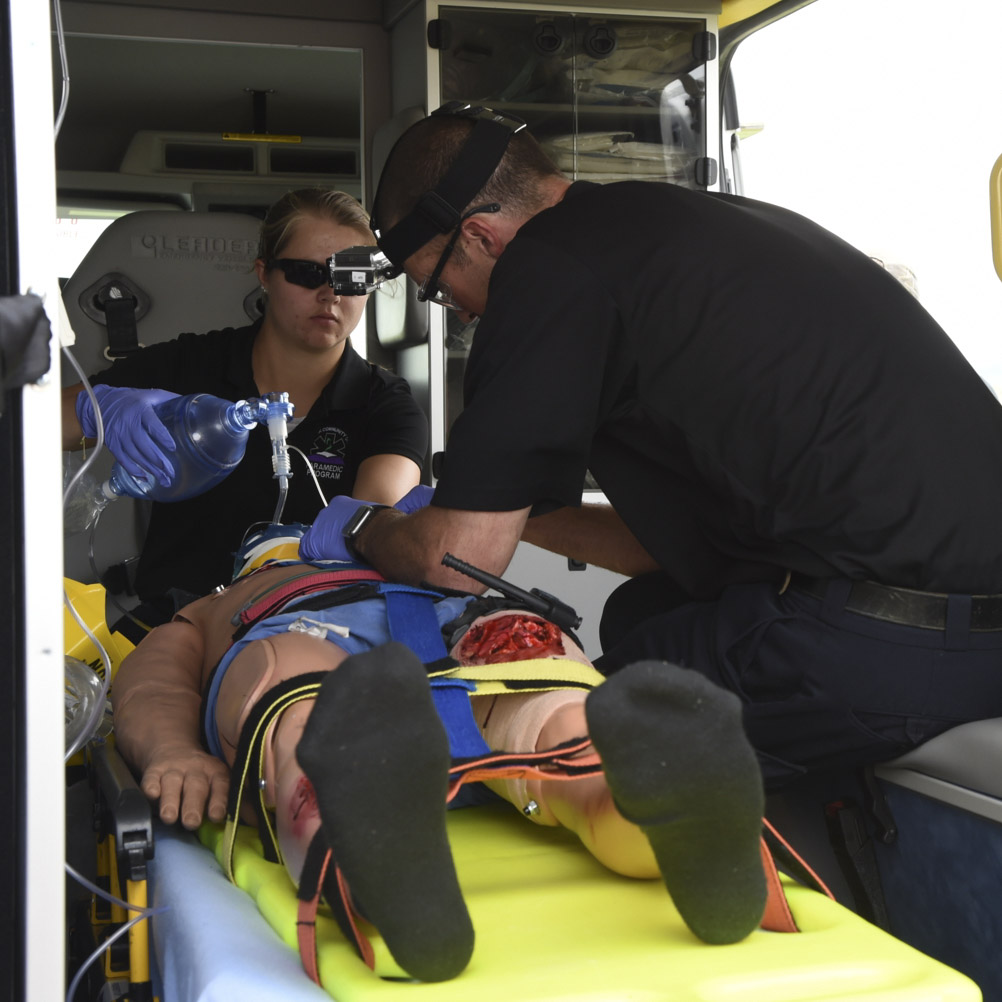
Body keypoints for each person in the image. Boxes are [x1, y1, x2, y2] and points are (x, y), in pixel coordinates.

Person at [298, 104, 1002, 793]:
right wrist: (510, 508)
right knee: (640, 613)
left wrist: (369, 526)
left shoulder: (543, 270)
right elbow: (659, 549)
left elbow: (459, 564)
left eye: (439, 288)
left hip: (870, 646)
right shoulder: (676, 226)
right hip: (969, 639)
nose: (461, 311)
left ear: (480, 237)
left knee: (529, 751)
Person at [110, 525, 769, 982]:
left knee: (302, 704)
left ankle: (363, 839)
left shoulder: (238, 599)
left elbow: (153, 679)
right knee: (546, 718)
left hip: (384, 637)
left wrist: (174, 743)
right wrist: (172, 748)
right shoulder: (221, 603)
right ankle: (634, 808)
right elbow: (156, 678)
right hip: (449, 637)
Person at [62, 188, 428, 627]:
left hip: (307, 630)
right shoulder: (190, 365)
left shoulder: (386, 406)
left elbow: (376, 533)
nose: (330, 294)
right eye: (306, 273)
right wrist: (97, 408)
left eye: (351, 277)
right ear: (264, 274)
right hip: (170, 626)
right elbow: (34, 423)